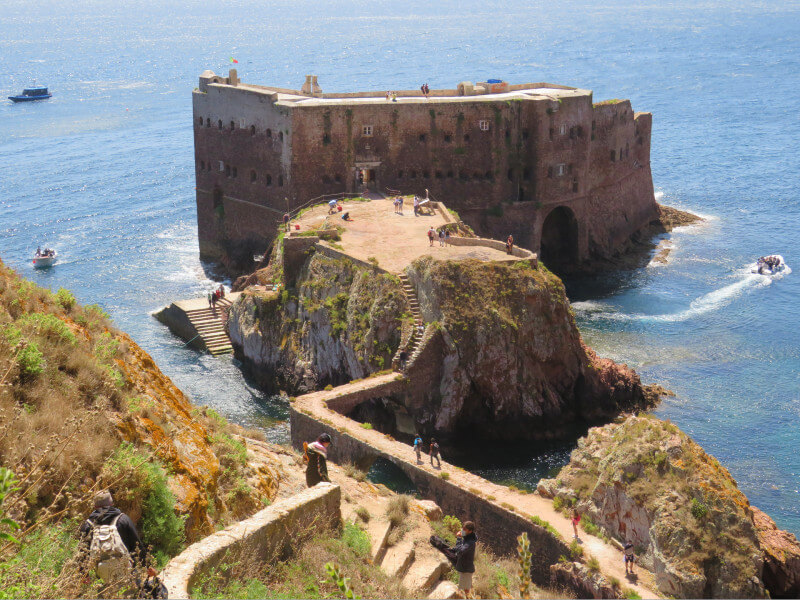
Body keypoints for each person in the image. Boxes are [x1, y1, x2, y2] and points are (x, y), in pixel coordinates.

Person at [79, 490, 145, 582]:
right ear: (112, 503)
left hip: (101, 577)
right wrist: (147, 566)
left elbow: (82, 553)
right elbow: (137, 545)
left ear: (95, 506)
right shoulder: (123, 519)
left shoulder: (88, 525)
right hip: (127, 574)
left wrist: (83, 574)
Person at [431, 521, 477, 598]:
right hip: (464, 565)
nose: (462, 530)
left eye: (464, 529)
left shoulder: (470, 543)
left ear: (470, 531)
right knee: (466, 586)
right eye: (463, 528)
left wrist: (459, 538)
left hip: (466, 569)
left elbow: (460, 551)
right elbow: (460, 548)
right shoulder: (468, 538)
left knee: (466, 590)